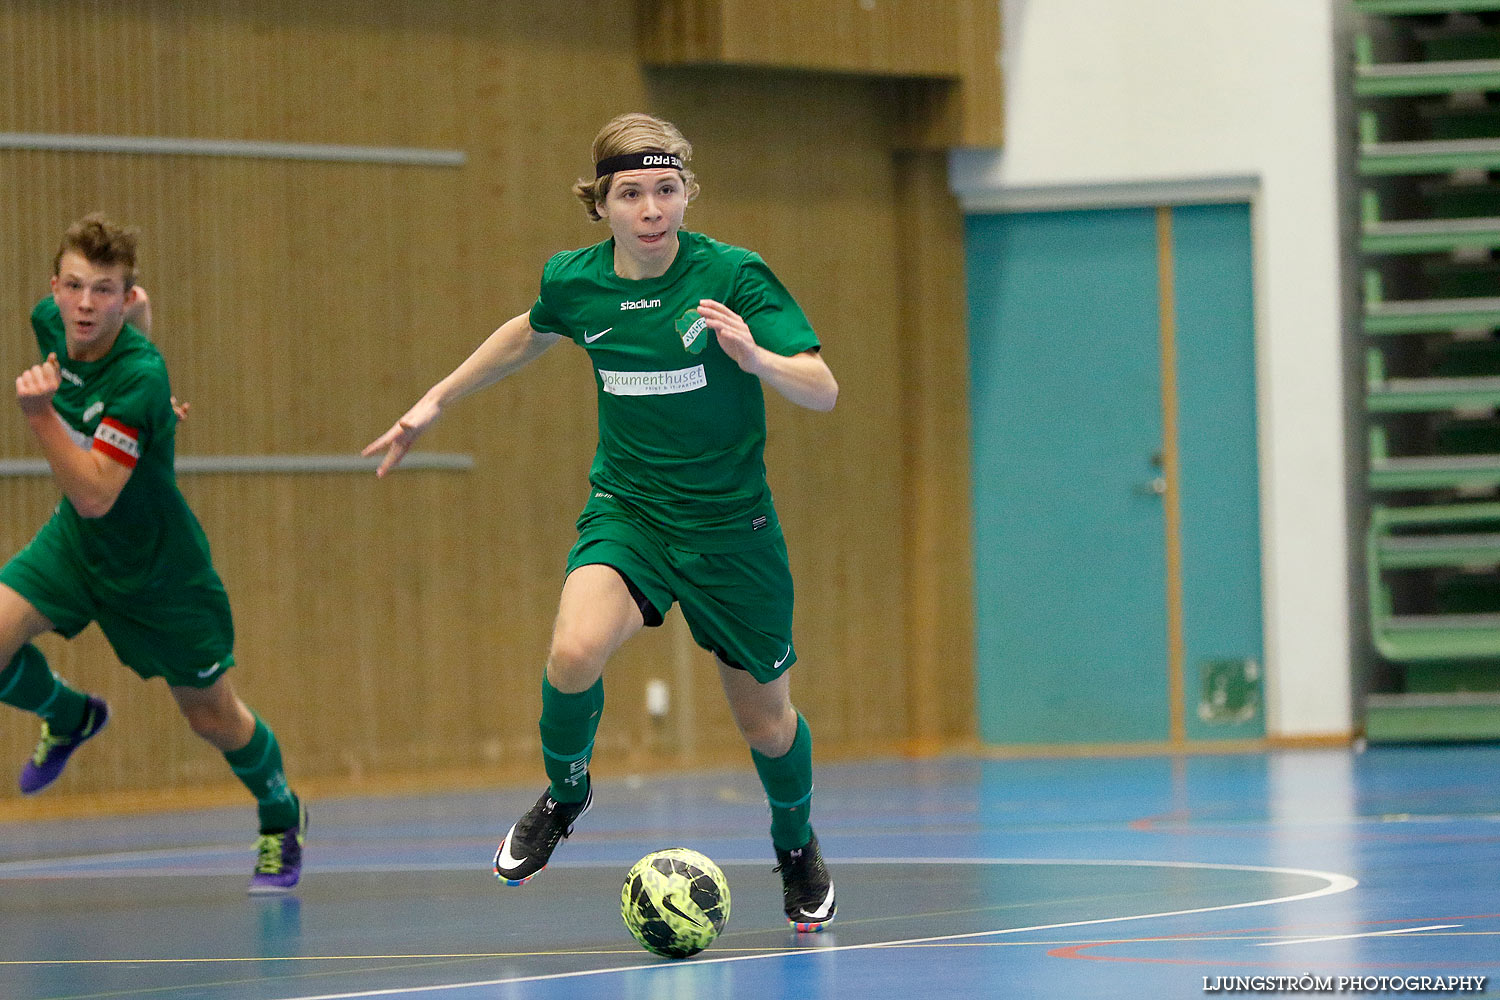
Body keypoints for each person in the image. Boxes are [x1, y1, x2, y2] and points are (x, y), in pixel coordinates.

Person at [365, 112, 840, 930]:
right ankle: (565, 793)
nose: (651, 208)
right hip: (631, 513)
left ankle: (796, 846)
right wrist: (434, 400)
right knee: (574, 647)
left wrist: (757, 359)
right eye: (631, 193)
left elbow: (822, 388)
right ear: (602, 205)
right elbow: (529, 332)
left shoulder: (734, 275)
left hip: (733, 532)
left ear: (686, 193)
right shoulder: (577, 282)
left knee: (766, 722)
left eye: (666, 189)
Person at [0, 214, 306, 893]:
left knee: (211, 715)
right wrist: (142, 342)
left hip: (158, 570)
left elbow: (96, 496)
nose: (86, 305)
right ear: (55, 287)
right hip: (76, 552)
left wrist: (41, 416)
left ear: (122, 289)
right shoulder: (53, 323)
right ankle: (68, 713)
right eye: (75, 286)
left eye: (104, 291)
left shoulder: (139, 376)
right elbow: (136, 318)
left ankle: (281, 815)